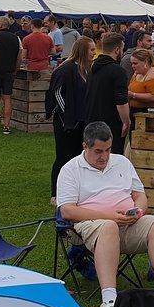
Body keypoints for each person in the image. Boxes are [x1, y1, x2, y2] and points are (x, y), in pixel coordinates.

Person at [56, 121, 154, 307]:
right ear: (85, 146)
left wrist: (139, 211)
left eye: (108, 150)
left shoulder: (121, 162)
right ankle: (109, 301)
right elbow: (67, 210)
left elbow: (141, 196)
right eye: (98, 151)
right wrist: (110, 216)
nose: (104, 156)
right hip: (91, 225)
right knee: (109, 226)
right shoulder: (71, 169)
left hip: (128, 222)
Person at [48, 36, 94, 196]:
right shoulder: (65, 69)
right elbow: (57, 93)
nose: (94, 53)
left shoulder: (87, 70)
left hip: (82, 121)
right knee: (63, 157)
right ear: (83, 51)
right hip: (66, 122)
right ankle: (56, 192)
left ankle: (74, 189)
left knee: (78, 156)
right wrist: (67, 114)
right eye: (92, 49)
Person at [85, 32, 130, 154]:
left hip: (92, 119)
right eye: (122, 48)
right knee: (111, 158)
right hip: (111, 123)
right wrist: (126, 121)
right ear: (117, 50)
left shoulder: (93, 67)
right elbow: (121, 100)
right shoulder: (118, 71)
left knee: (93, 155)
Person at [126, 48, 154, 114]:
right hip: (134, 111)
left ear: (145, 62)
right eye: (132, 63)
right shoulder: (136, 73)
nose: (132, 66)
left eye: (135, 63)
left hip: (149, 113)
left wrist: (133, 95)